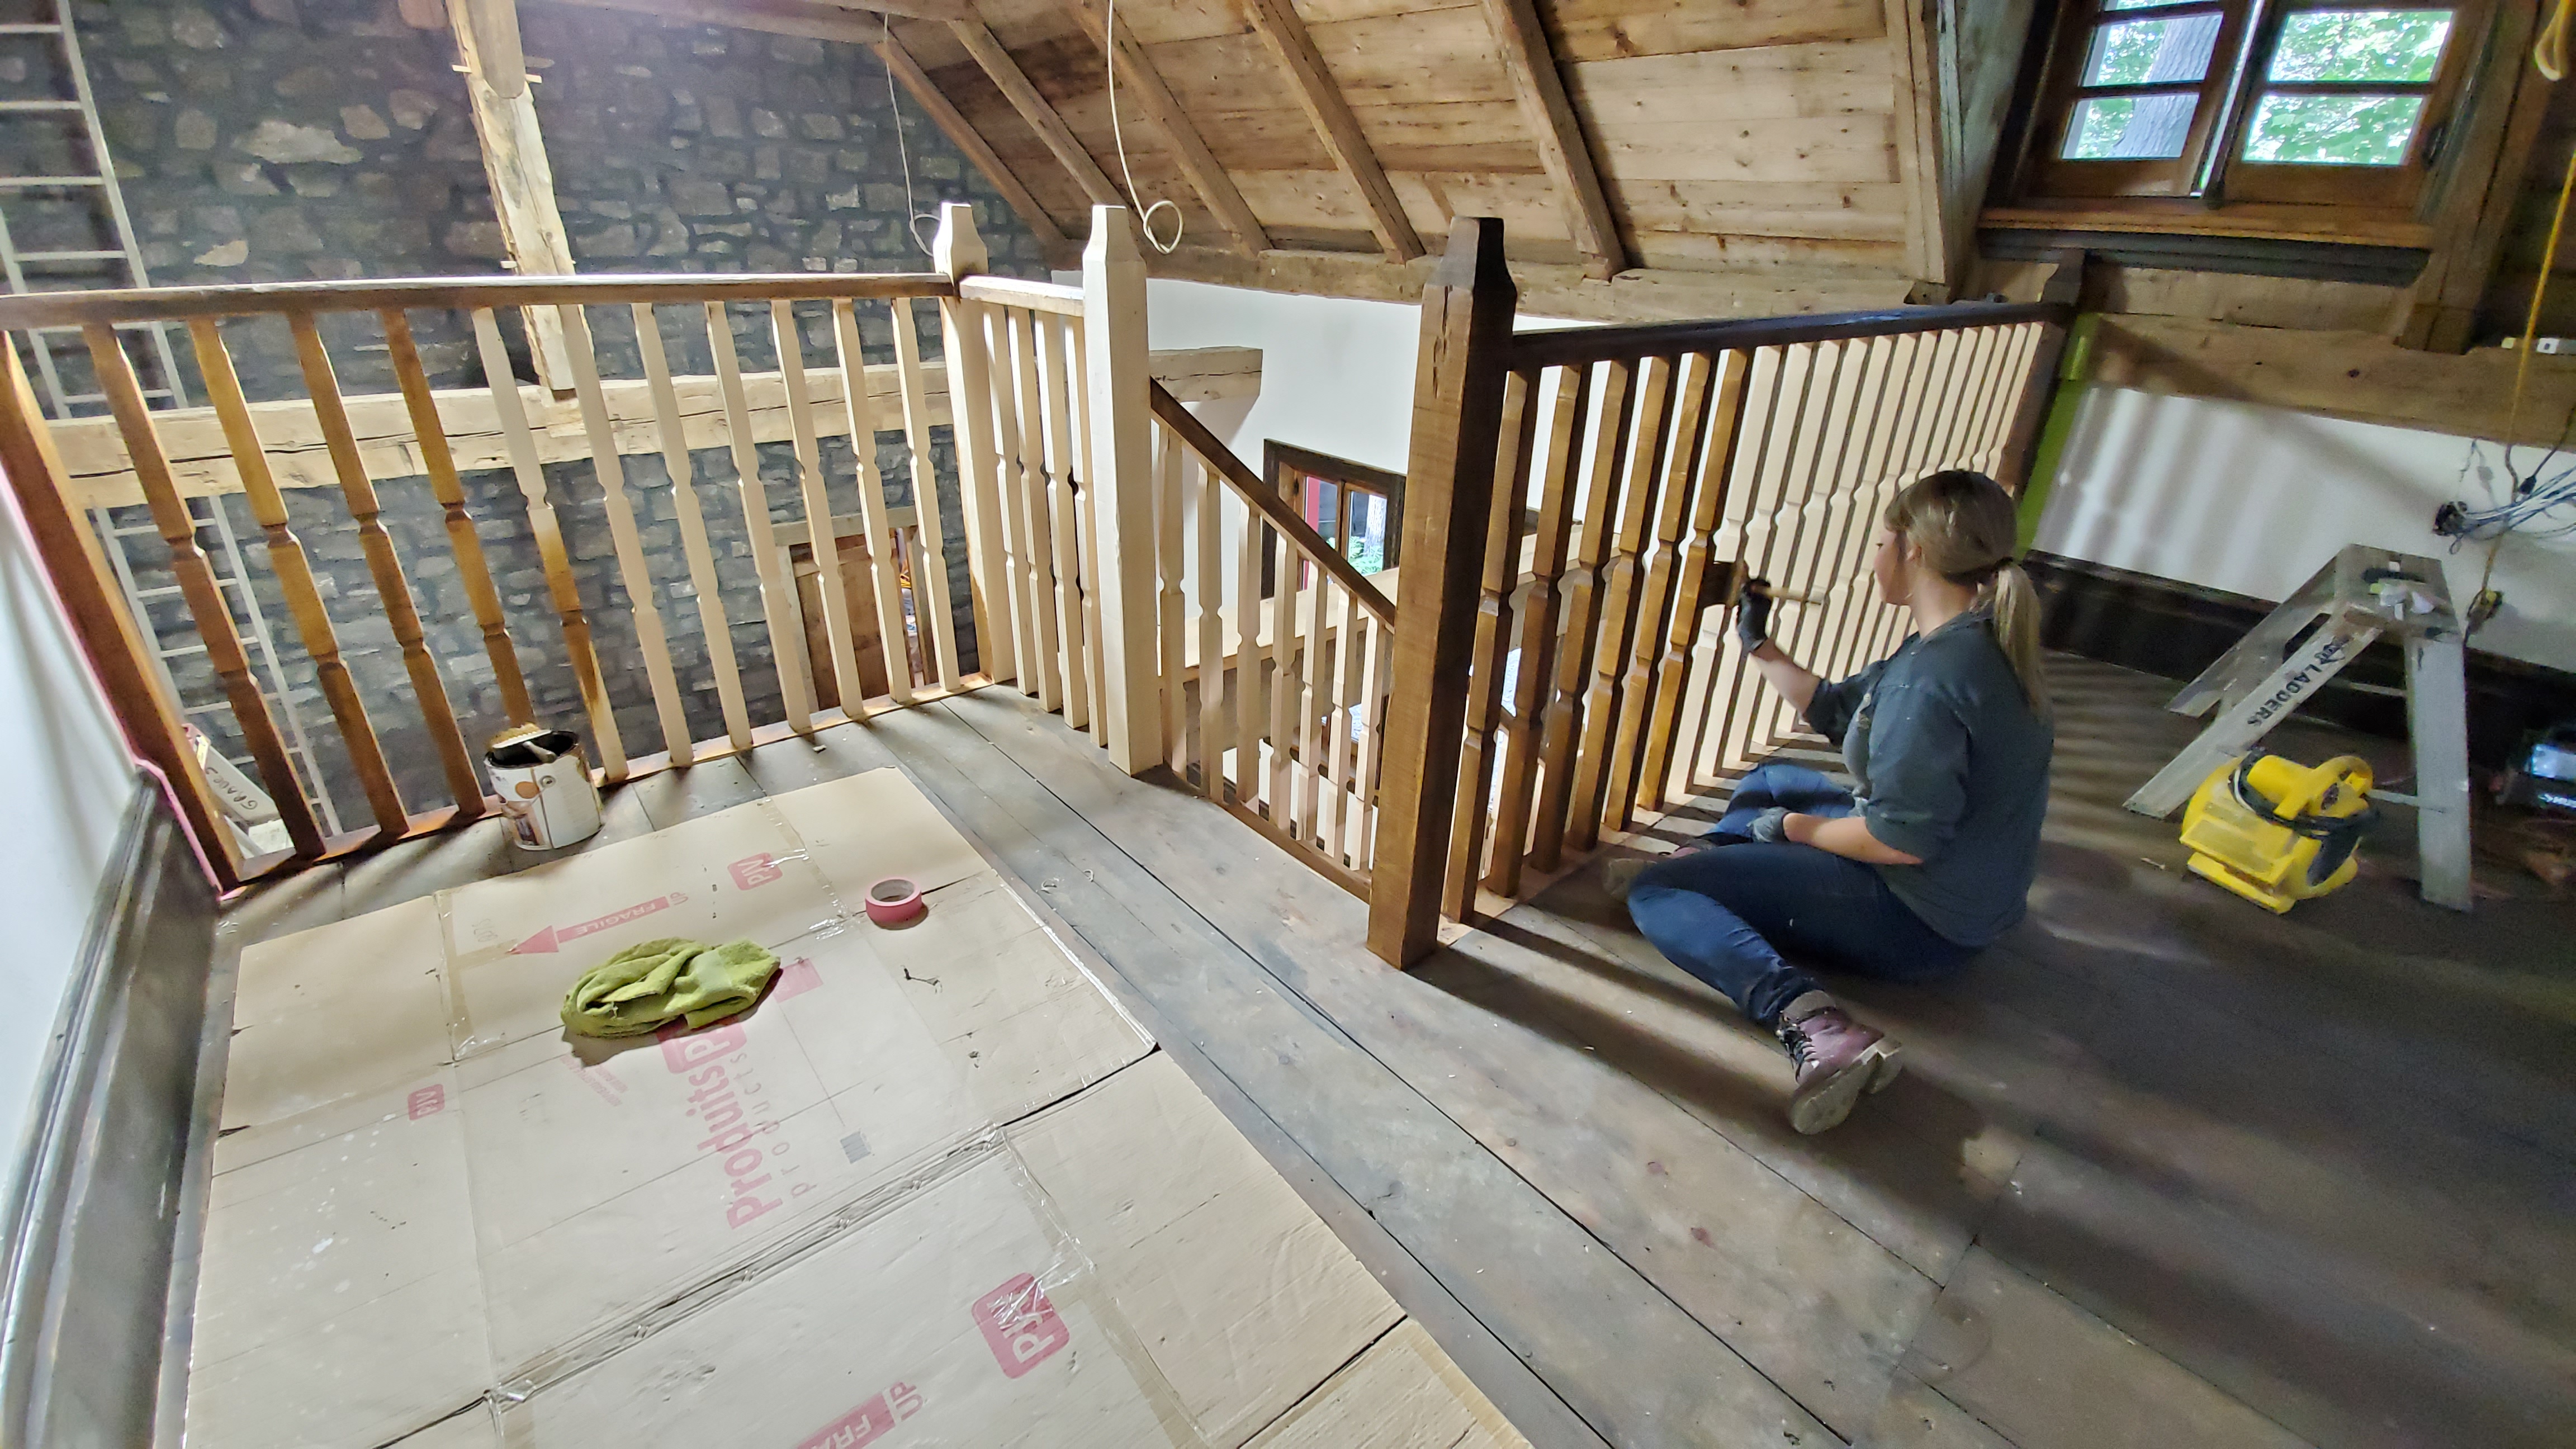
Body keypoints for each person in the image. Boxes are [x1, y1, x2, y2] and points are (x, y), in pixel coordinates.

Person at [1607, 470, 2054, 1134]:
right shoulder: (1964, 641)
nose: (1874, 557)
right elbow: (1840, 710)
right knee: (1773, 776)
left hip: (1920, 919)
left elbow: (1901, 841)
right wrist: (1758, 643)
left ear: (1914, 552)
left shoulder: (1932, 682)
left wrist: (1793, 829)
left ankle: (1817, 1024)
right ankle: (1715, 870)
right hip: (1969, 893)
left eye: (1882, 542)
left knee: (1657, 893)